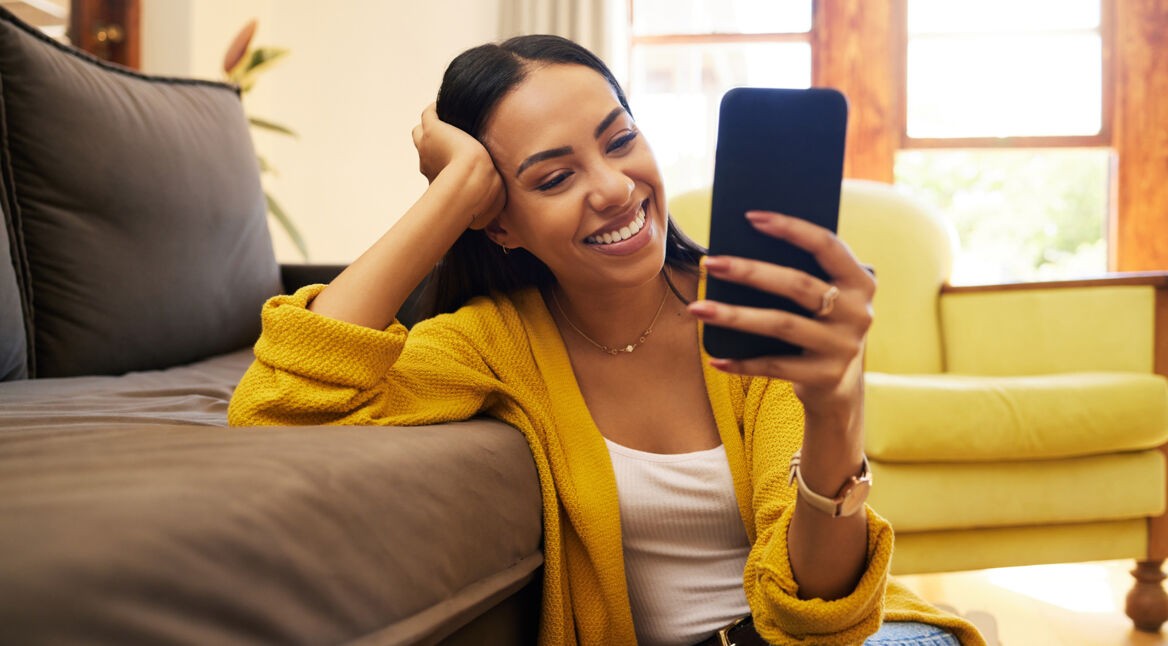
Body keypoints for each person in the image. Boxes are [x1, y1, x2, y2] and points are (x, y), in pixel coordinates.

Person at [229, 35, 984, 646]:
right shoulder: (496, 343)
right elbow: (281, 401)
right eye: (554, 178)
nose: (615, 188)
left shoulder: (753, 316)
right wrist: (451, 191)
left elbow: (822, 618)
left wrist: (835, 412)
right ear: (498, 221)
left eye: (619, 140)